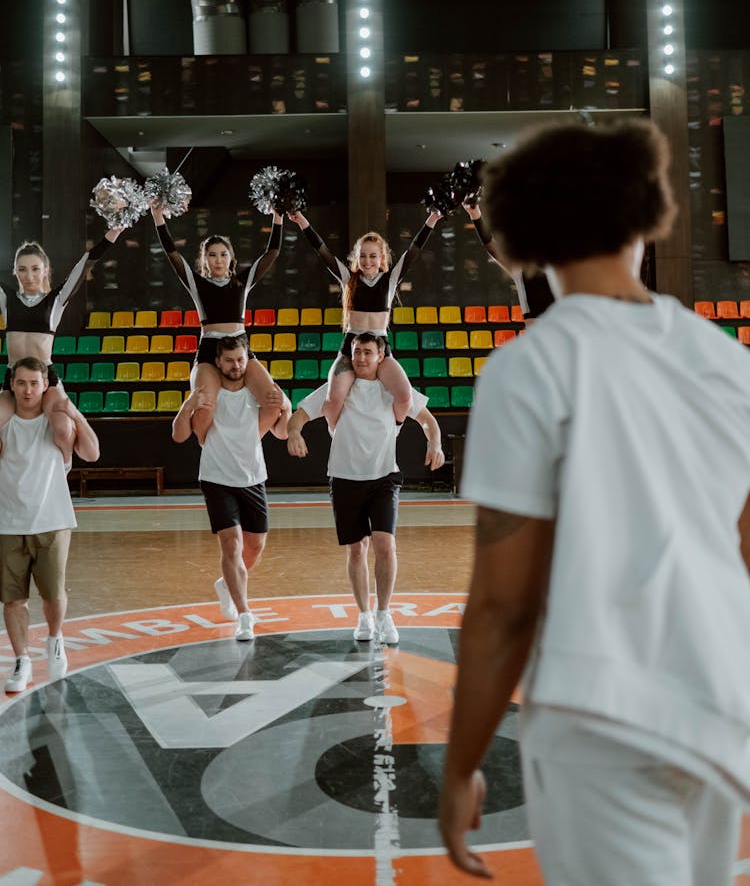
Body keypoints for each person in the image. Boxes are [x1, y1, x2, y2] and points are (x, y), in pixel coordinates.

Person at [439, 118, 750, 884]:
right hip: (717, 705)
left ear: (527, 237)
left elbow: (504, 604)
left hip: (599, 715)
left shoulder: (530, 367)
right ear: (643, 215)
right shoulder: (728, 360)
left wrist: (458, 766)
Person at [287, 331, 444, 644]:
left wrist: (435, 443)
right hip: (344, 477)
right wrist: (295, 434)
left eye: (368, 353)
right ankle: (364, 616)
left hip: (384, 476)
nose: (361, 358)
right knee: (356, 549)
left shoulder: (392, 392)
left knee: (385, 544)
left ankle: (385, 614)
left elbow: (428, 419)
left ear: (380, 357)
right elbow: (299, 416)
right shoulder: (337, 390)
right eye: (357, 352)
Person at [172, 334, 290, 641]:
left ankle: (227, 583)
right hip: (216, 477)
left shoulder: (258, 394)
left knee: (255, 546)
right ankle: (245, 615)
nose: (235, 366)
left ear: (247, 359)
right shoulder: (208, 397)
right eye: (229, 360)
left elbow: (280, 431)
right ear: (218, 362)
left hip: (252, 477)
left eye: (240, 360)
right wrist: (187, 406)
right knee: (232, 544)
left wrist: (287, 410)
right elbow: (179, 436)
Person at [288, 210, 443, 428]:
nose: (367, 261)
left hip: (380, 348)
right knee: (333, 399)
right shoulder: (348, 279)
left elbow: (413, 250)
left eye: (372, 256)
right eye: (362, 256)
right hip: (350, 349)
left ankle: (394, 429)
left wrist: (432, 219)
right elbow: (322, 250)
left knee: (405, 395)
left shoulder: (390, 280)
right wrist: (302, 221)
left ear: (381, 259)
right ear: (356, 258)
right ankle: (336, 433)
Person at [0, 356, 100, 693]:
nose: (27, 390)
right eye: (21, 383)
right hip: (8, 523)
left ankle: (55, 640)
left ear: (46, 386)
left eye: (34, 383)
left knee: (53, 595)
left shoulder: (58, 427)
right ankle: (21, 660)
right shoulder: (4, 425)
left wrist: (73, 411)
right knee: (13, 600)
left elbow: (93, 453)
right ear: (11, 386)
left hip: (52, 520)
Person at [151, 201, 284, 444]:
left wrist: (278, 217)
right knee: (204, 410)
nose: (219, 260)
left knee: (273, 401)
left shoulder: (242, 282)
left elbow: (272, 253)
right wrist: (158, 217)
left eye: (223, 254)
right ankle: (209, 448)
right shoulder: (196, 283)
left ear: (231, 257)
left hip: (242, 350)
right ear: (205, 259)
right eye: (212, 255)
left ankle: (247, 444)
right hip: (210, 350)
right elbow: (172, 254)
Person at [0, 230, 122, 456]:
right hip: (13, 378)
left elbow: (85, 265)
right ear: (15, 272)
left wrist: (112, 234)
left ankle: (63, 468)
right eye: (22, 269)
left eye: (36, 269)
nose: (29, 276)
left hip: (46, 378)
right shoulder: (6, 299)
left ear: (45, 270)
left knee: (63, 429)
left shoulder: (55, 300)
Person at [462, 199, 554, 324]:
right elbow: (491, 246)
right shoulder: (522, 266)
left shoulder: (562, 267)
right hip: (537, 331)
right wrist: (475, 215)